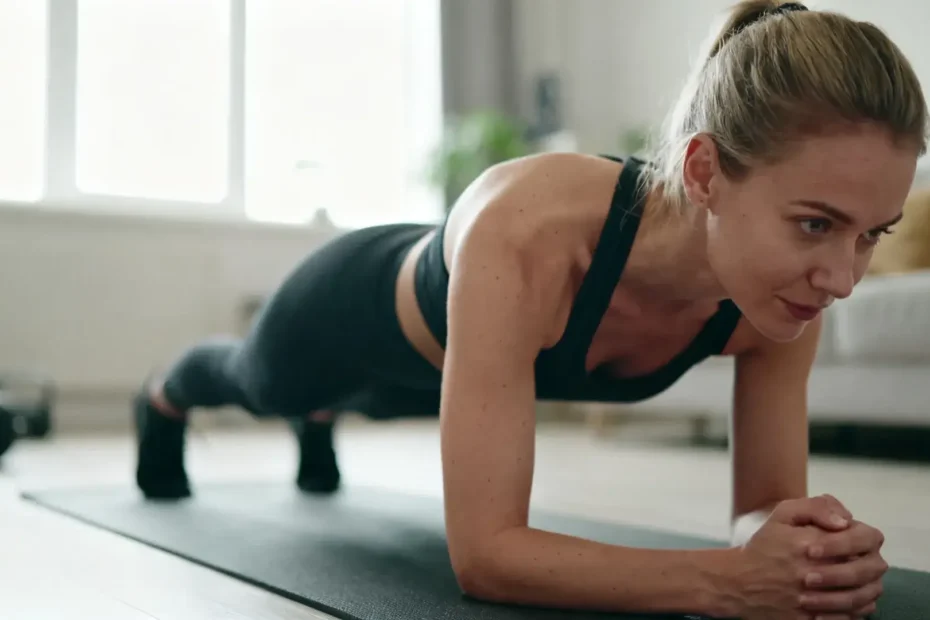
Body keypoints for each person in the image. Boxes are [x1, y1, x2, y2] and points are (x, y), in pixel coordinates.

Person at [132, 1, 926, 617]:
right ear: (707, 171)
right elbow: (486, 556)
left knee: (376, 402)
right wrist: (725, 584)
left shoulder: (787, 292)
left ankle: (325, 419)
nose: (843, 278)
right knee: (262, 384)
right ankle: (164, 394)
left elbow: (759, 510)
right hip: (355, 306)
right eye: (816, 224)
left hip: (452, 367)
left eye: (872, 236)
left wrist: (800, 553)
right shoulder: (532, 231)